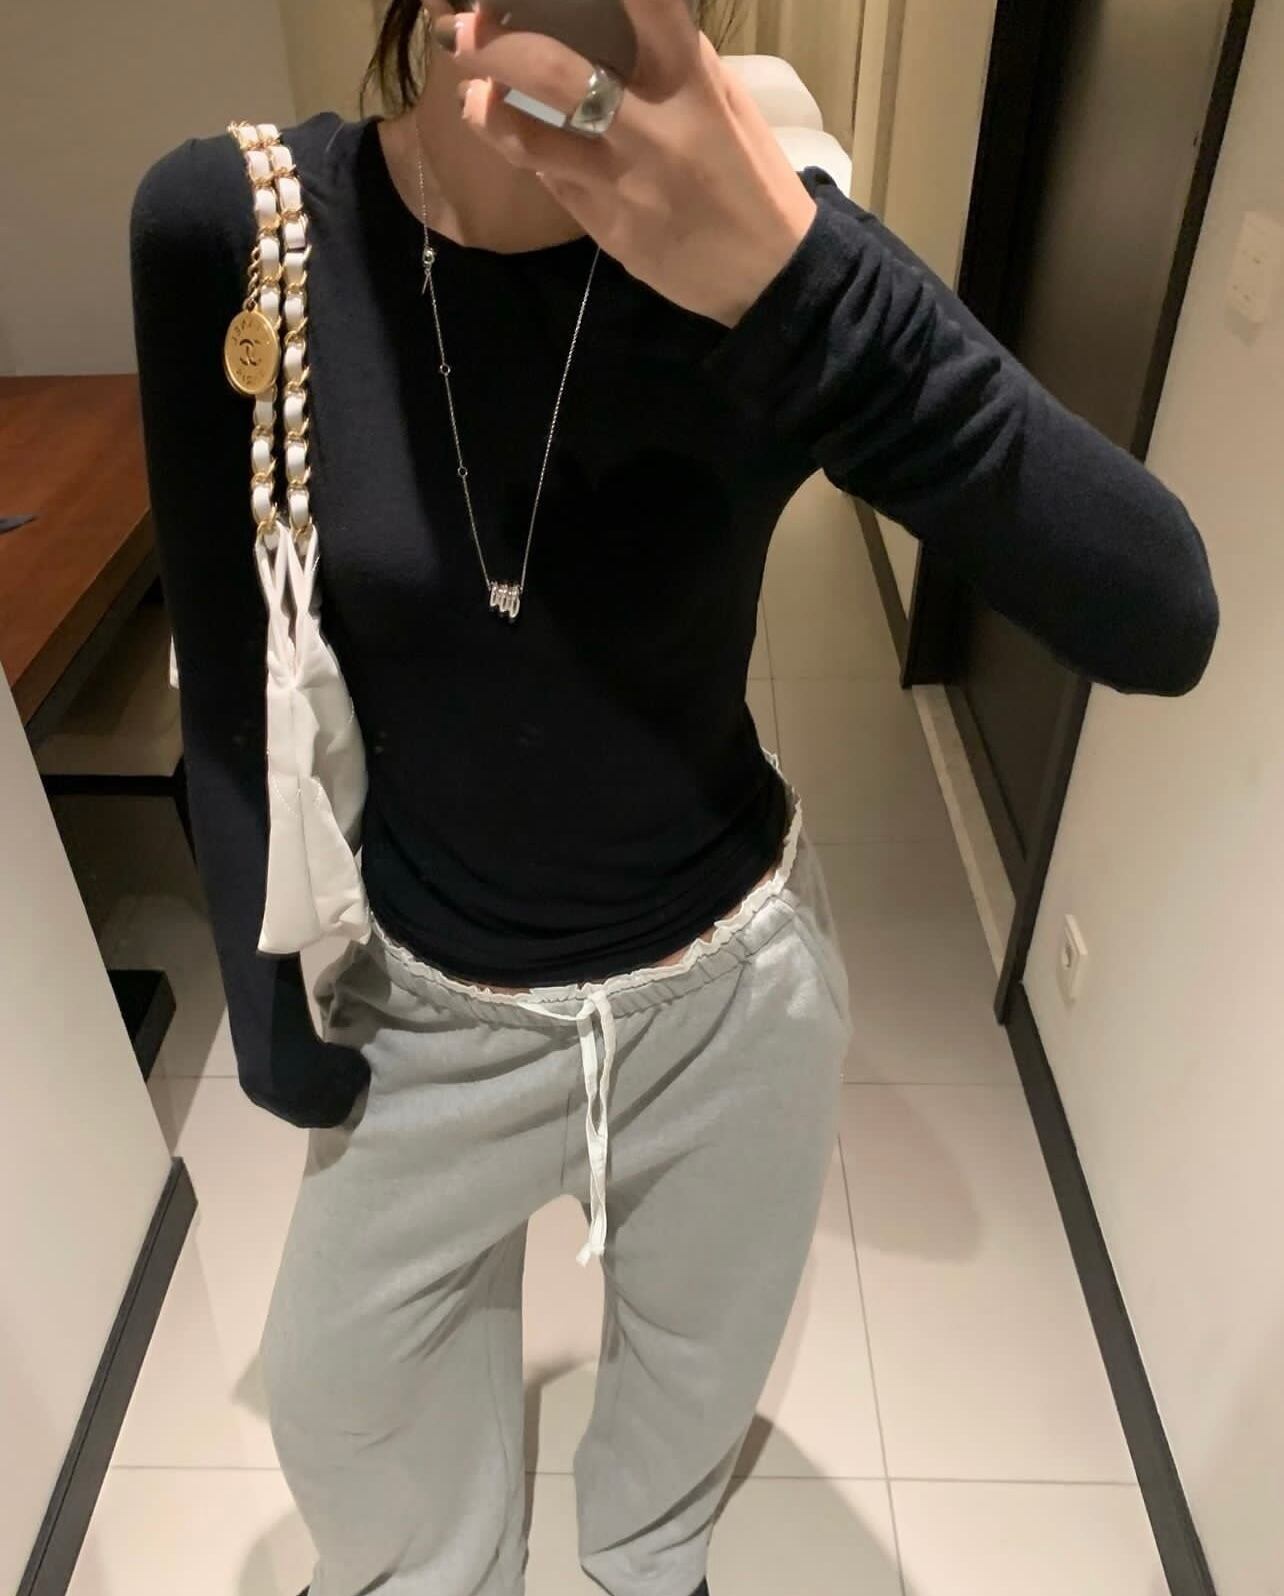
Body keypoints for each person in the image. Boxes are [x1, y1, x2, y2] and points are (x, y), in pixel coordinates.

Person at [127, 1, 1219, 1592]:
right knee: (350, 1425)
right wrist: (260, 995)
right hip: (419, 1003)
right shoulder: (244, 228)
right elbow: (226, 675)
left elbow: (1160, 612)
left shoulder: (771, 249)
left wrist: (792, 277)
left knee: (666, 1492)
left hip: (727, 1003)